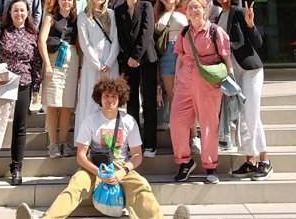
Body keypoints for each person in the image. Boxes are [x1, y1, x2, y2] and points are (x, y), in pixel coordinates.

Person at [15, 78, 191, 219]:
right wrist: (99, 173)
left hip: (121, 167)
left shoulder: (129, 121)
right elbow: (81, 156)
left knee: (141, 187)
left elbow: (137, 155)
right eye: (106, 95)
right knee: (75, 186)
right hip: (94, 168)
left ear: (120, 98)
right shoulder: (90, 120)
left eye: (114, 96)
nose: (110, 100)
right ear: (100, 97)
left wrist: (123, 172)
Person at [0, 0, 42, 188]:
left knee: (19, 128)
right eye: (16, 10)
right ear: (10, 12)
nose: (19, 14)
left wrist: (36, 87)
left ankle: (16, 168)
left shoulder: (32, 34)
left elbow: (36, 64)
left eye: (22, 10)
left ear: (28, 13)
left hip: (23, 84)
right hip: (2, 83)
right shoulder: (0, 30)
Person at [171, 0, 233, 185]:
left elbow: (226, 58)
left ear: (204, 10)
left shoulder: (215, 31)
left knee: (208, 125)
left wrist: (229, 79)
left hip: (208, 83)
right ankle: (185, 161)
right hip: (185, 81)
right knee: (177, 123)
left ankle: (210, 166)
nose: (193, 10)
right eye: (189, 8)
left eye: (196, 7)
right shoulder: (183, 32)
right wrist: (176, 80)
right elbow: (180, 58)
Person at [213, 0, 272, 181]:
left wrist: (250, 24)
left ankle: (265, 161)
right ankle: (250, 161)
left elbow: (257, 43)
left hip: (250, 70)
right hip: (232, 72)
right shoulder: (219, 16)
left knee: (252, 115)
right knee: (243, 120)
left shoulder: (238, 12)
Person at [115, 0, 159, 158]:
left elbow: (147, 32)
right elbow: (120, 36)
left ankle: (150, 144)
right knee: (131, 104)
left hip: (146, 58)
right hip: (128, 61)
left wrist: (136, 56)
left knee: (149, 102)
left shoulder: (146, 6)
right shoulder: (118, 10)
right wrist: (129, 57)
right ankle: (134, 144)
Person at [76, 0, 120, 141]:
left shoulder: (111, 14)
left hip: (110, 62)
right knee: (91, 99)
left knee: (110, 98)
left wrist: (109, 62)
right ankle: (88, 140)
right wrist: (98, 64)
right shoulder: (83, 15)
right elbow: (84, 43)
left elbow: (116, 40)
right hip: (91, 64)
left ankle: (109, 139)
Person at [38, 0, 79, 159]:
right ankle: (53, 144)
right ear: (58, 0)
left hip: (72, 62)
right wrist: (47, 64)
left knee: (66, 104)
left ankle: (64, 142)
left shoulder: (76, 19)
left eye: (70, 0)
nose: (67, 2)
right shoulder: (50, 17)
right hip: (54, 61)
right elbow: (41, 40)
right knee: (53, 103)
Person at [153, 0, 188, 131]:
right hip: (166, 54)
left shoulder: (184, 11)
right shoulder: (157, 14)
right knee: (173, 95)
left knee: (184, 94)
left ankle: (187, 131)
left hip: (183, 53)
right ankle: (177, 132)